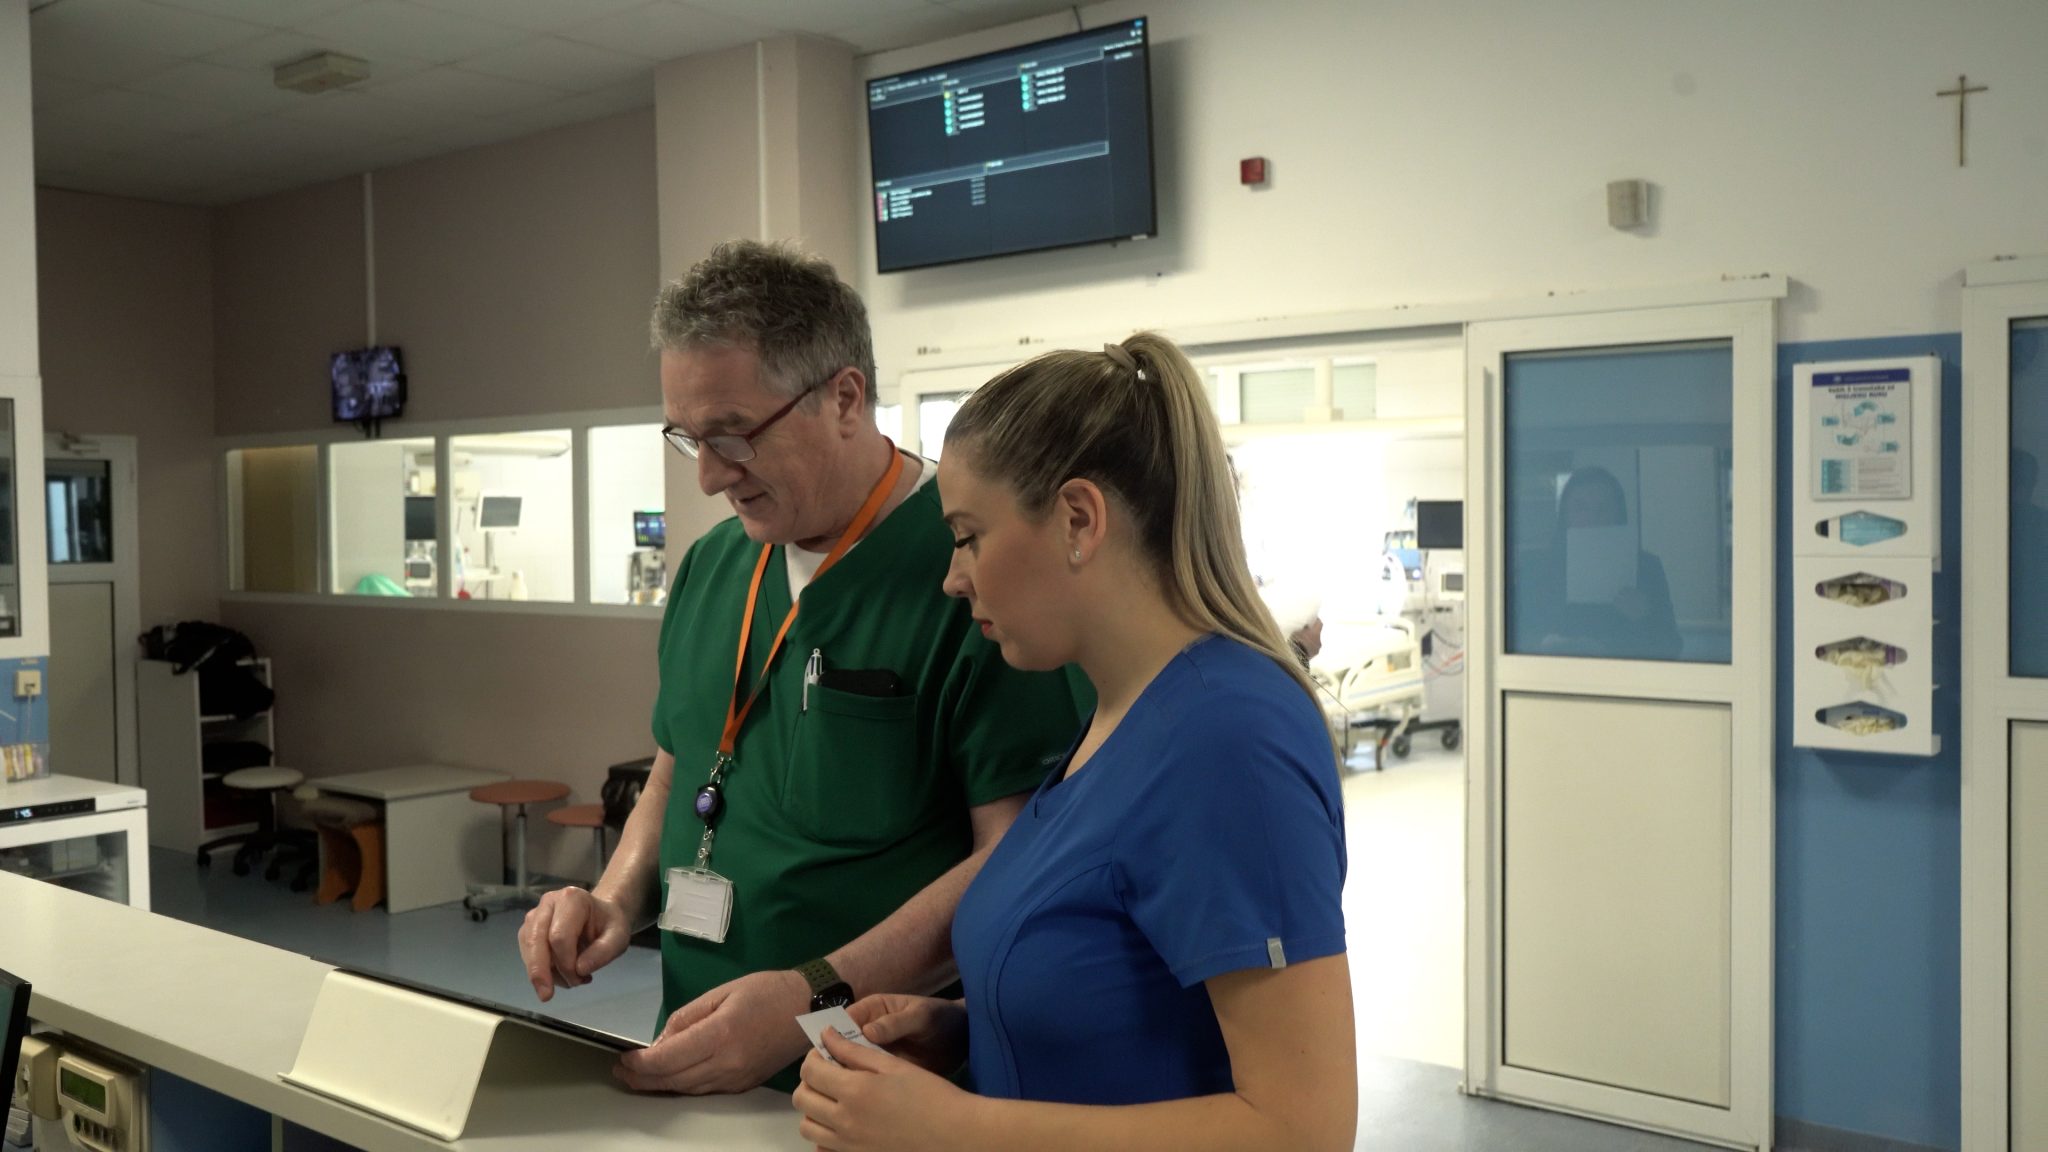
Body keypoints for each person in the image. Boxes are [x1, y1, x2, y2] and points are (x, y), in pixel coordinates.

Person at [517, 240, 1086, 1094]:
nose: (711, 476)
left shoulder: (972, 573)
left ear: (844, 398)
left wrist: (810, 995)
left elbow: (1012, 858)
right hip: (696, 1055)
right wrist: (613, 899)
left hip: (874, 1075)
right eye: (689, 439)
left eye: (734, 435)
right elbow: (677, 772)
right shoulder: (713, 567)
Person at [791, 333, 1356, 1152]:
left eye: (968, 536)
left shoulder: (1226, 739)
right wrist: (971, 1030)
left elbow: (1304, 1128)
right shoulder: (1117, 713)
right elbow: (1136, 996)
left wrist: (955, 1127)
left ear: (1079, 520)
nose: (953, 578)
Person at [1513, 465, 1683, 659]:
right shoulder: (1536, 567)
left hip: (1621, 673)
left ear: (1619, 514)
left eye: (1604, 508)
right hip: (1551, 672)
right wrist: (1544, 643)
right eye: (1580, 508)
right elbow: (1511, 637)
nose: (1592, 517)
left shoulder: (1646, 567)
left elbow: (1672, 647)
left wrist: (1645, 617)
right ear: (1565, 515)